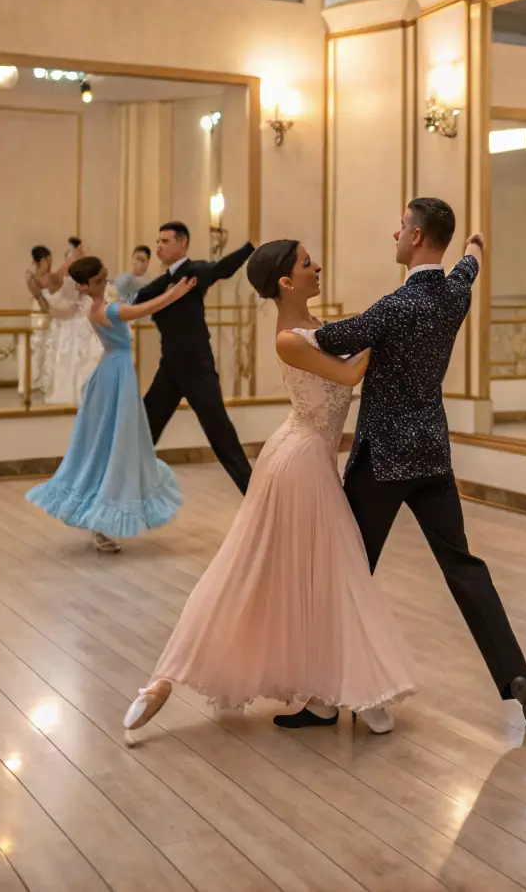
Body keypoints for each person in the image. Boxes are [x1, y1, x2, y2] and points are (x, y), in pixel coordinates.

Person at [123, 239, 415, 737]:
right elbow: (348, 372)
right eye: (307, 263)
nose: (317, 266)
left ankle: (327, 695)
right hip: (300, 465)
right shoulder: (289, 338)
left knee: (311, 574)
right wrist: (390, 323)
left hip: (308, 457)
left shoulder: (317, 329)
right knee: (289, 568)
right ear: (285, 281)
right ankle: (164, 681)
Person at [313, 197, 526, 731]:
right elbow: (473, 258)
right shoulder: (455, 292)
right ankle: (516, 677)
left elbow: (331, 339)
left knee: (350, 570)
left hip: (384, 461)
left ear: (418, 237)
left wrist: (296, 325)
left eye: (400, 227)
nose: (394, 235)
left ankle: (333, 690)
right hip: (432, 455)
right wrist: (473, 245)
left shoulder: (395, 307)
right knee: (464, 566)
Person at [26, 255, 191, 553]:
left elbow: (138, 302)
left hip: (114, 372)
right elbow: (143, 309)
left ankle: (99, 517)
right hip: (114, 377)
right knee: (111, 445)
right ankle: (100, 519)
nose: (105, 283)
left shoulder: (95, 305)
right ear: (85, 285)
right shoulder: (102, 309)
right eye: (99, 280)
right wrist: (174, 294)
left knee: (113, 445)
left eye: (105, 277)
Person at [135, 222, 255, 494]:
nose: (159, 247)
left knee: (220, 433)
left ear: (182, 244)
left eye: (165, 241)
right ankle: (115, 500)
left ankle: (256, 497)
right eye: (158, 241)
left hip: (196, 366)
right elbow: (137, 301)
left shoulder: (195, 271)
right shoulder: (162, 284)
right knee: (144, 431)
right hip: (170, 367)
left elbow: (222, 269)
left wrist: (250, 246)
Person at [44, 237, 103, 406]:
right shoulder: (69, 281)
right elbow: (54, 283)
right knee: (73, 362)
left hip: (87, 325)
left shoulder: (86, 277)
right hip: (74, 326)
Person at [19, 244, 53, 399]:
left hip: (49, 315)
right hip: (39, 315)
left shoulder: (50, 277)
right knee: (36, 347)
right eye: (48, 260)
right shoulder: (32, 276)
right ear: (44, 260)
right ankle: (34, 382)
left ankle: (45, 382)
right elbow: (40, 299)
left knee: (47, 349)